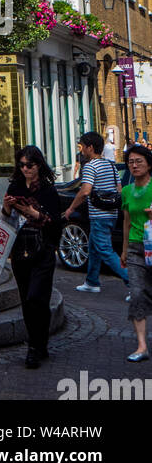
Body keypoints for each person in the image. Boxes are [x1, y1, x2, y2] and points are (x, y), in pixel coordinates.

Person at [3, 145, 63, 368]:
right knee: (27, 301)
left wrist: (32, 212)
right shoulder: (15, 186)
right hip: (20, 250)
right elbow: (5, 217)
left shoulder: (47, 190)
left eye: (30, 165)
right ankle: (37, 344)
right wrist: (8, 207)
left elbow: (55, 221)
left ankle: (36, 347)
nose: (26, 169)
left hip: (43, 250)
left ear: (39, 165)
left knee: (38, 297)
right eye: (22, 165)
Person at [63, 130, 128, 295]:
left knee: (105, 250)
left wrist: (71, 208)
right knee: (93, 248)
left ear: (90, 148)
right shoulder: (110, 165)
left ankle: (134, 285)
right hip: (111, 214)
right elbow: (119, 190)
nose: (81, 150)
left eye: (82, 147)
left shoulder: (90, 166)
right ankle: (92, 282)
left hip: (99, 215)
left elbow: (85, 191)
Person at [119, 143, 152, 363]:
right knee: (137, 295)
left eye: (138, 161)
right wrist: (123, 250)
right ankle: (142, 346)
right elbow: (127, 221)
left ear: (149, 164)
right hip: (135, 248)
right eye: (130, 162)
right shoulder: (127, 191)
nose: (134, 165)